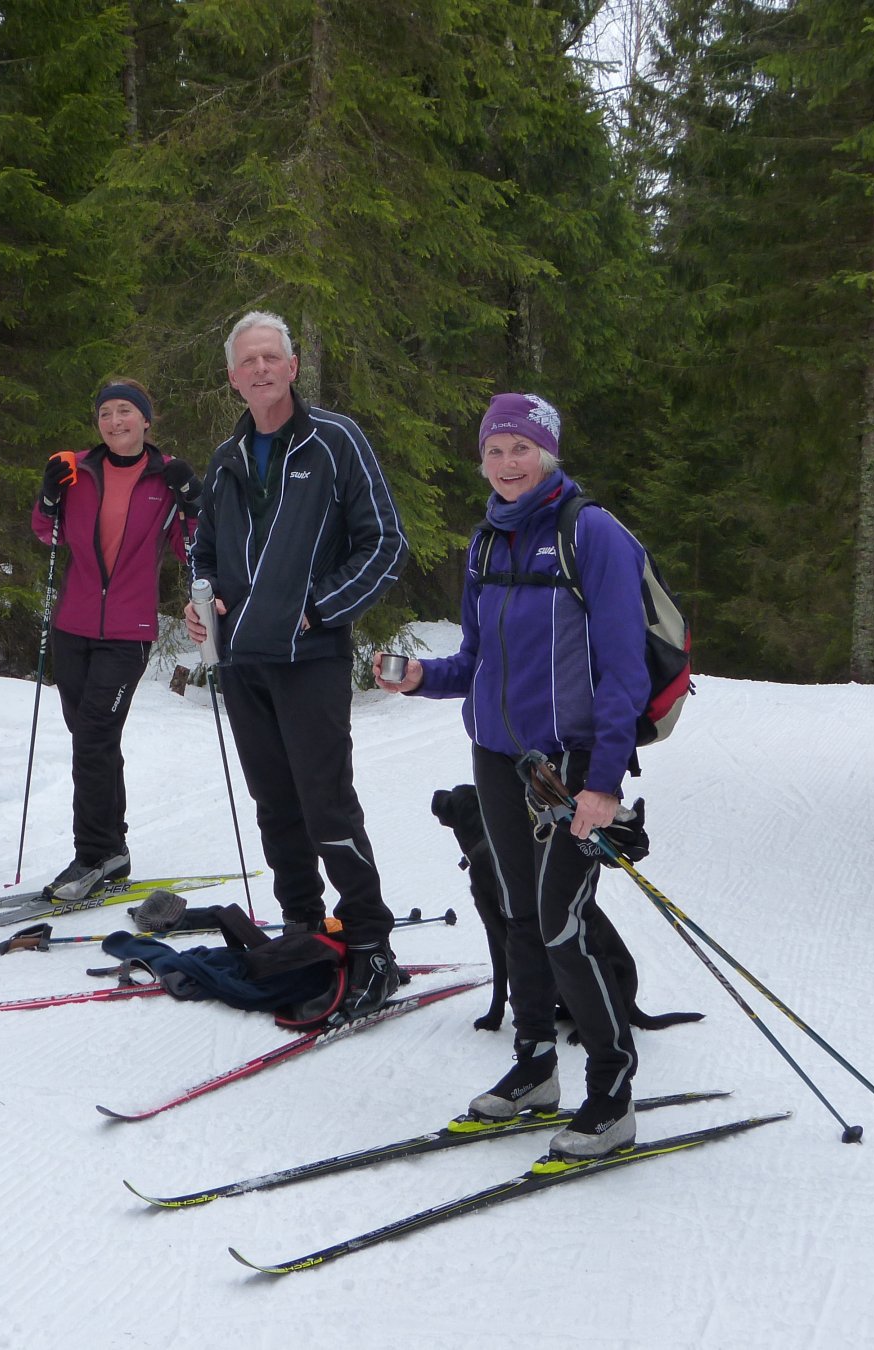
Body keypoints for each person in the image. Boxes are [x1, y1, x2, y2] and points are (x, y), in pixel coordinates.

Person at [373, 391, 650, 1158]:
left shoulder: (590, 534)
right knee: (518, 912)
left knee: (562, 921)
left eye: (520, 449)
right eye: (494, 450)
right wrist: (420, 677)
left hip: (566, 767)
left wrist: (602, 784)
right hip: (495, 757)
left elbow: (624, 669)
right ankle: (534, 1067)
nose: (505, 464)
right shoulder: (486, 541)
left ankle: (613, 1090)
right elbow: (475, 661)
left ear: (548, 453)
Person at [183, 310, 408, 1019]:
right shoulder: (224, 459)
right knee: (275, 807)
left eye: (269, 358)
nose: (258, 370)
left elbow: (384, 544)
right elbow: (205, 556)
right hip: (243, 661)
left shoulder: (334, 440)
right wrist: (199, 603)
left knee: (326, 805)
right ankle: (304, 931)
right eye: (246, 362)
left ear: (292, 364)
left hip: (309, 657)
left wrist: (317, 609)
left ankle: (372, 948)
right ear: (232, 377)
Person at [31, 380, 201, 900]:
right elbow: (47, 534)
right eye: (106, 412)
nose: (115, 421)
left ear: (146, 420)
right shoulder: (77, 469)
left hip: (128, 632)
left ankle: (91, 856)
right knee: (94, 740)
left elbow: (191, 549)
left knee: (94, 738)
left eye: (126, 411)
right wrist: (48, 494)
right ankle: (115, 850)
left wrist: (193, 498)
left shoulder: (165, 478)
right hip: (72, 626)